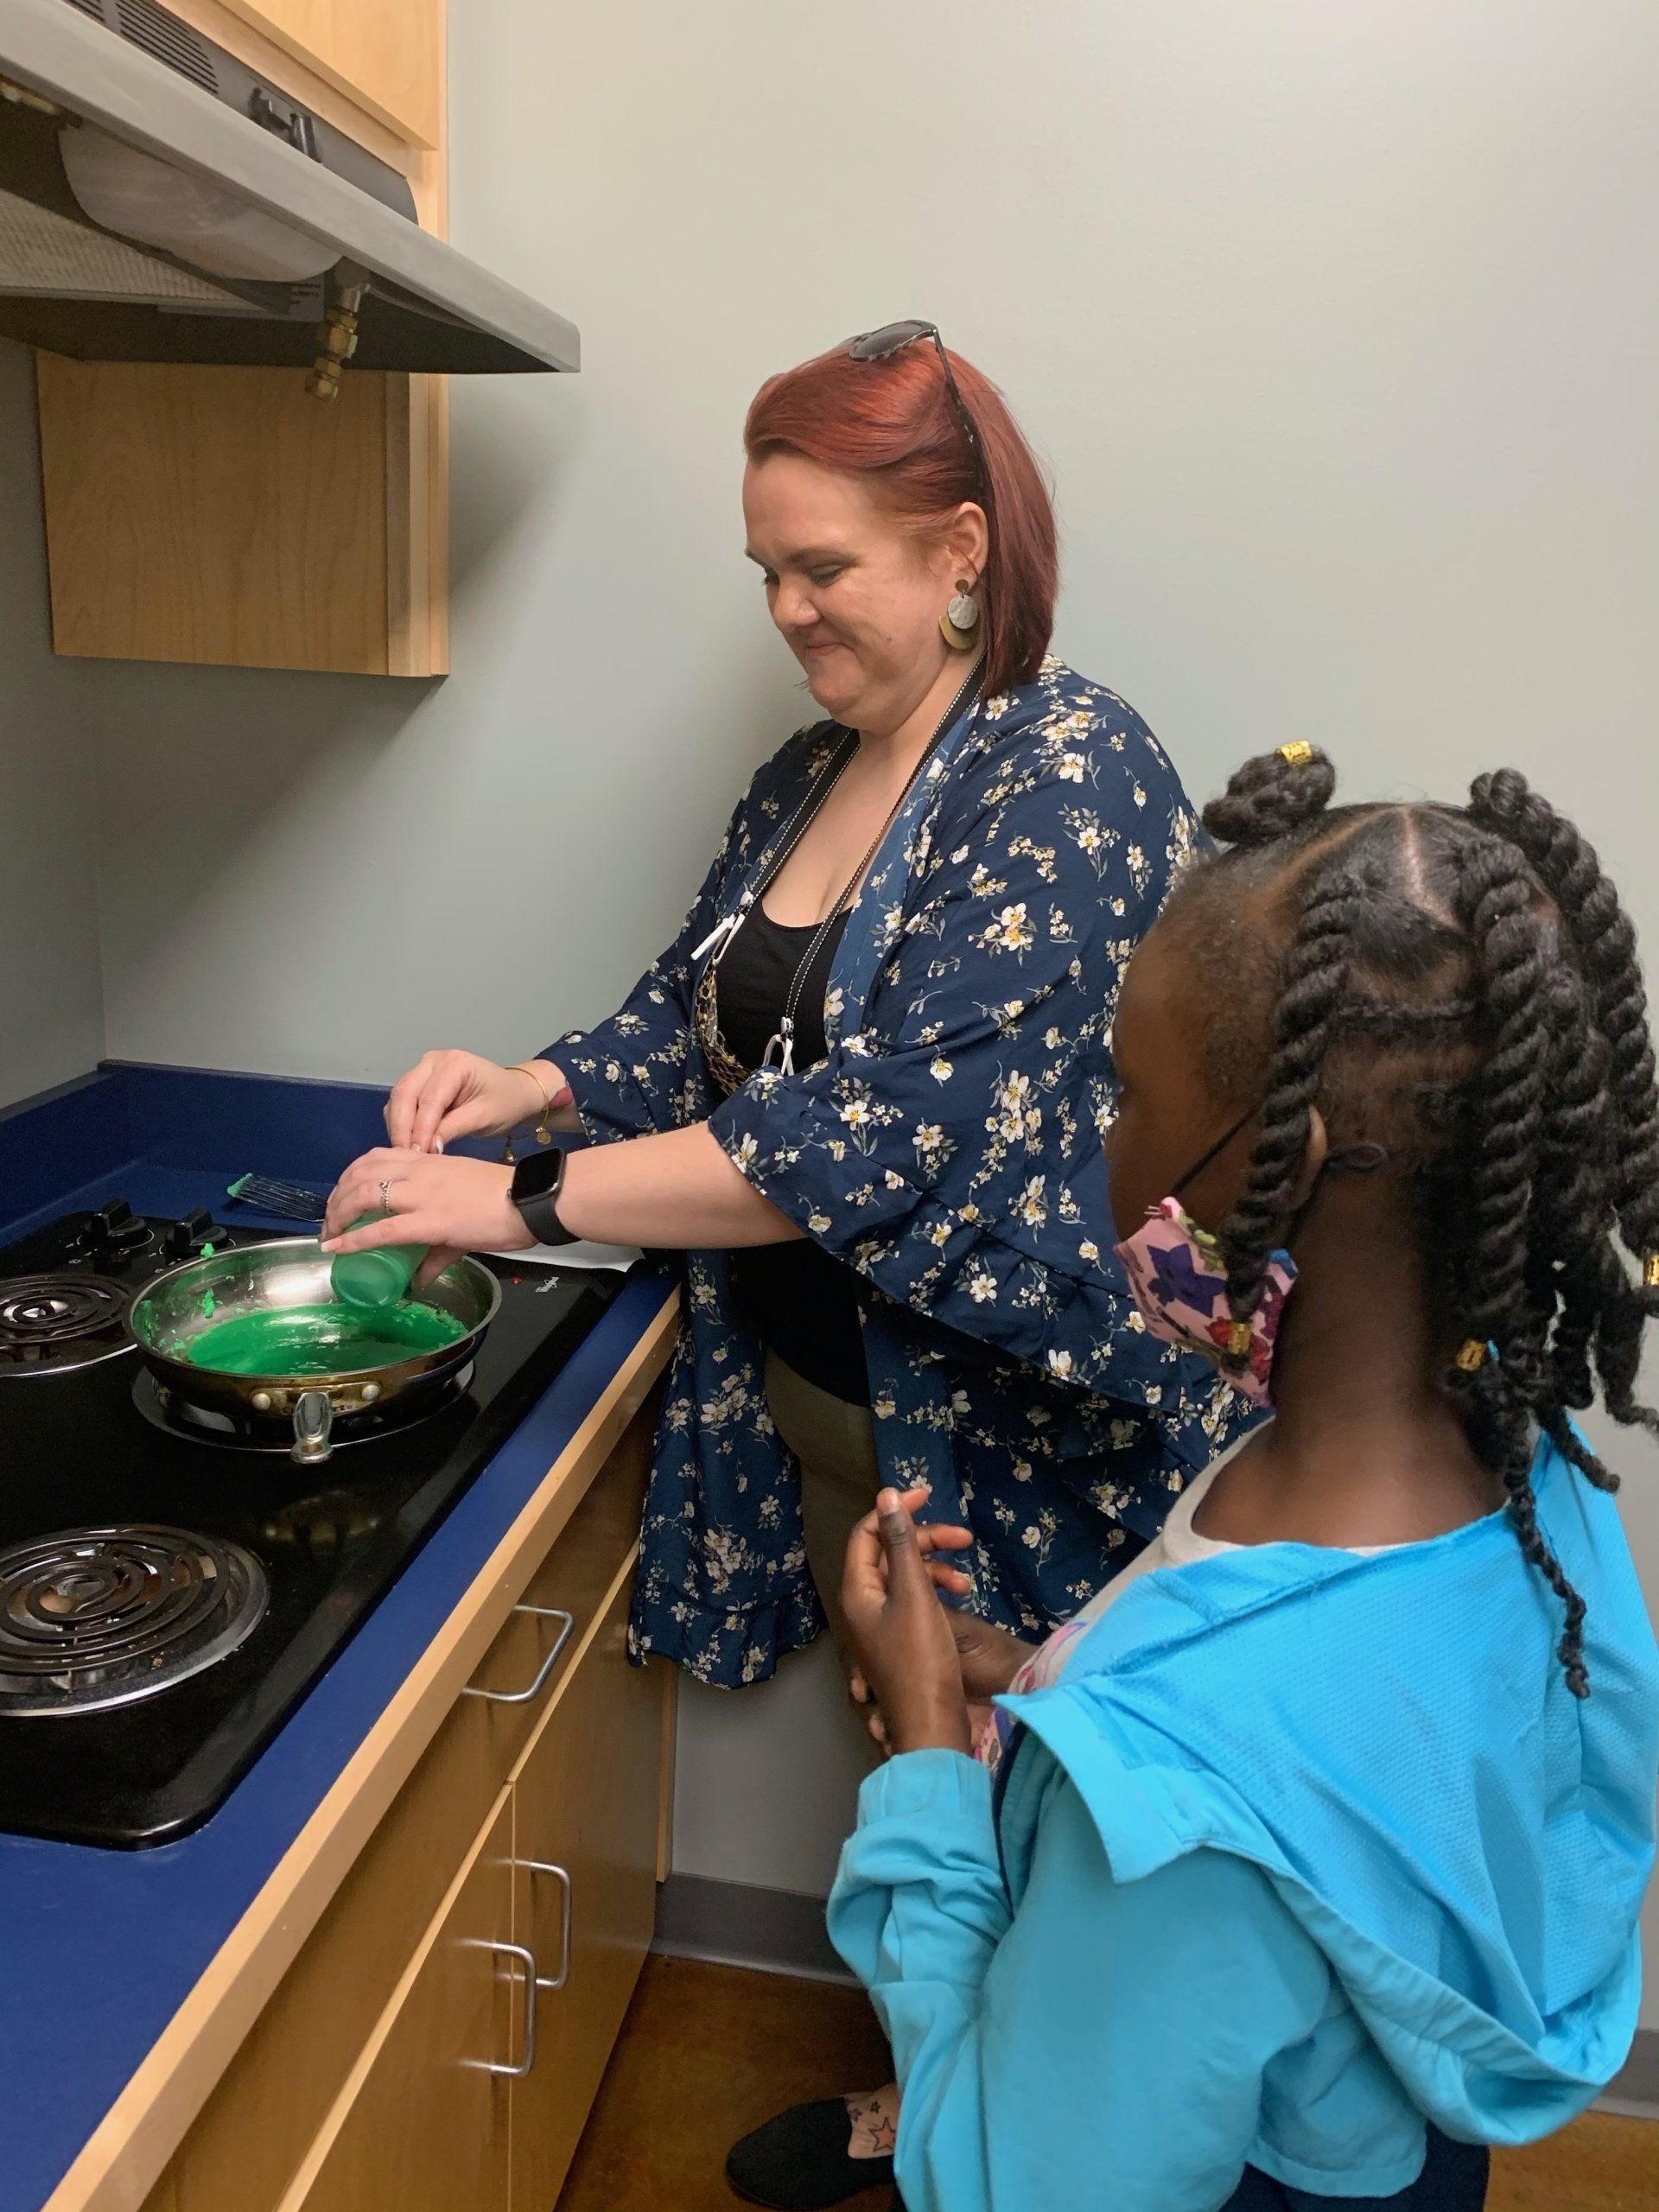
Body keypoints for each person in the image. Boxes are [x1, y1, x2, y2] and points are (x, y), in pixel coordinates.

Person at [322, 324, 1247, 1706]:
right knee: (911, 1816)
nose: (787, 610)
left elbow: (879, 1138)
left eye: (823, 568)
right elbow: (691, 1026)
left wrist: (515, 1201)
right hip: (839, 1435)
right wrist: (530, 1085)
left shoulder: (1067, 768)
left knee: (1031, 1848)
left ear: (961, 549)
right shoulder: (810, 772)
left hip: (1015, 1457)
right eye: (769, 574)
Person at [819, 743, 1659, 2212]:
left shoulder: (1188, 1810)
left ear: (1291, 1154)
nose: (1104, 1144)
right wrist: (1051, 1684)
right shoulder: (1528, 1495)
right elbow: (1364, 1766)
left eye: (1129, 1095)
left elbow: (1004, 2185)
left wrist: (928, 1768)